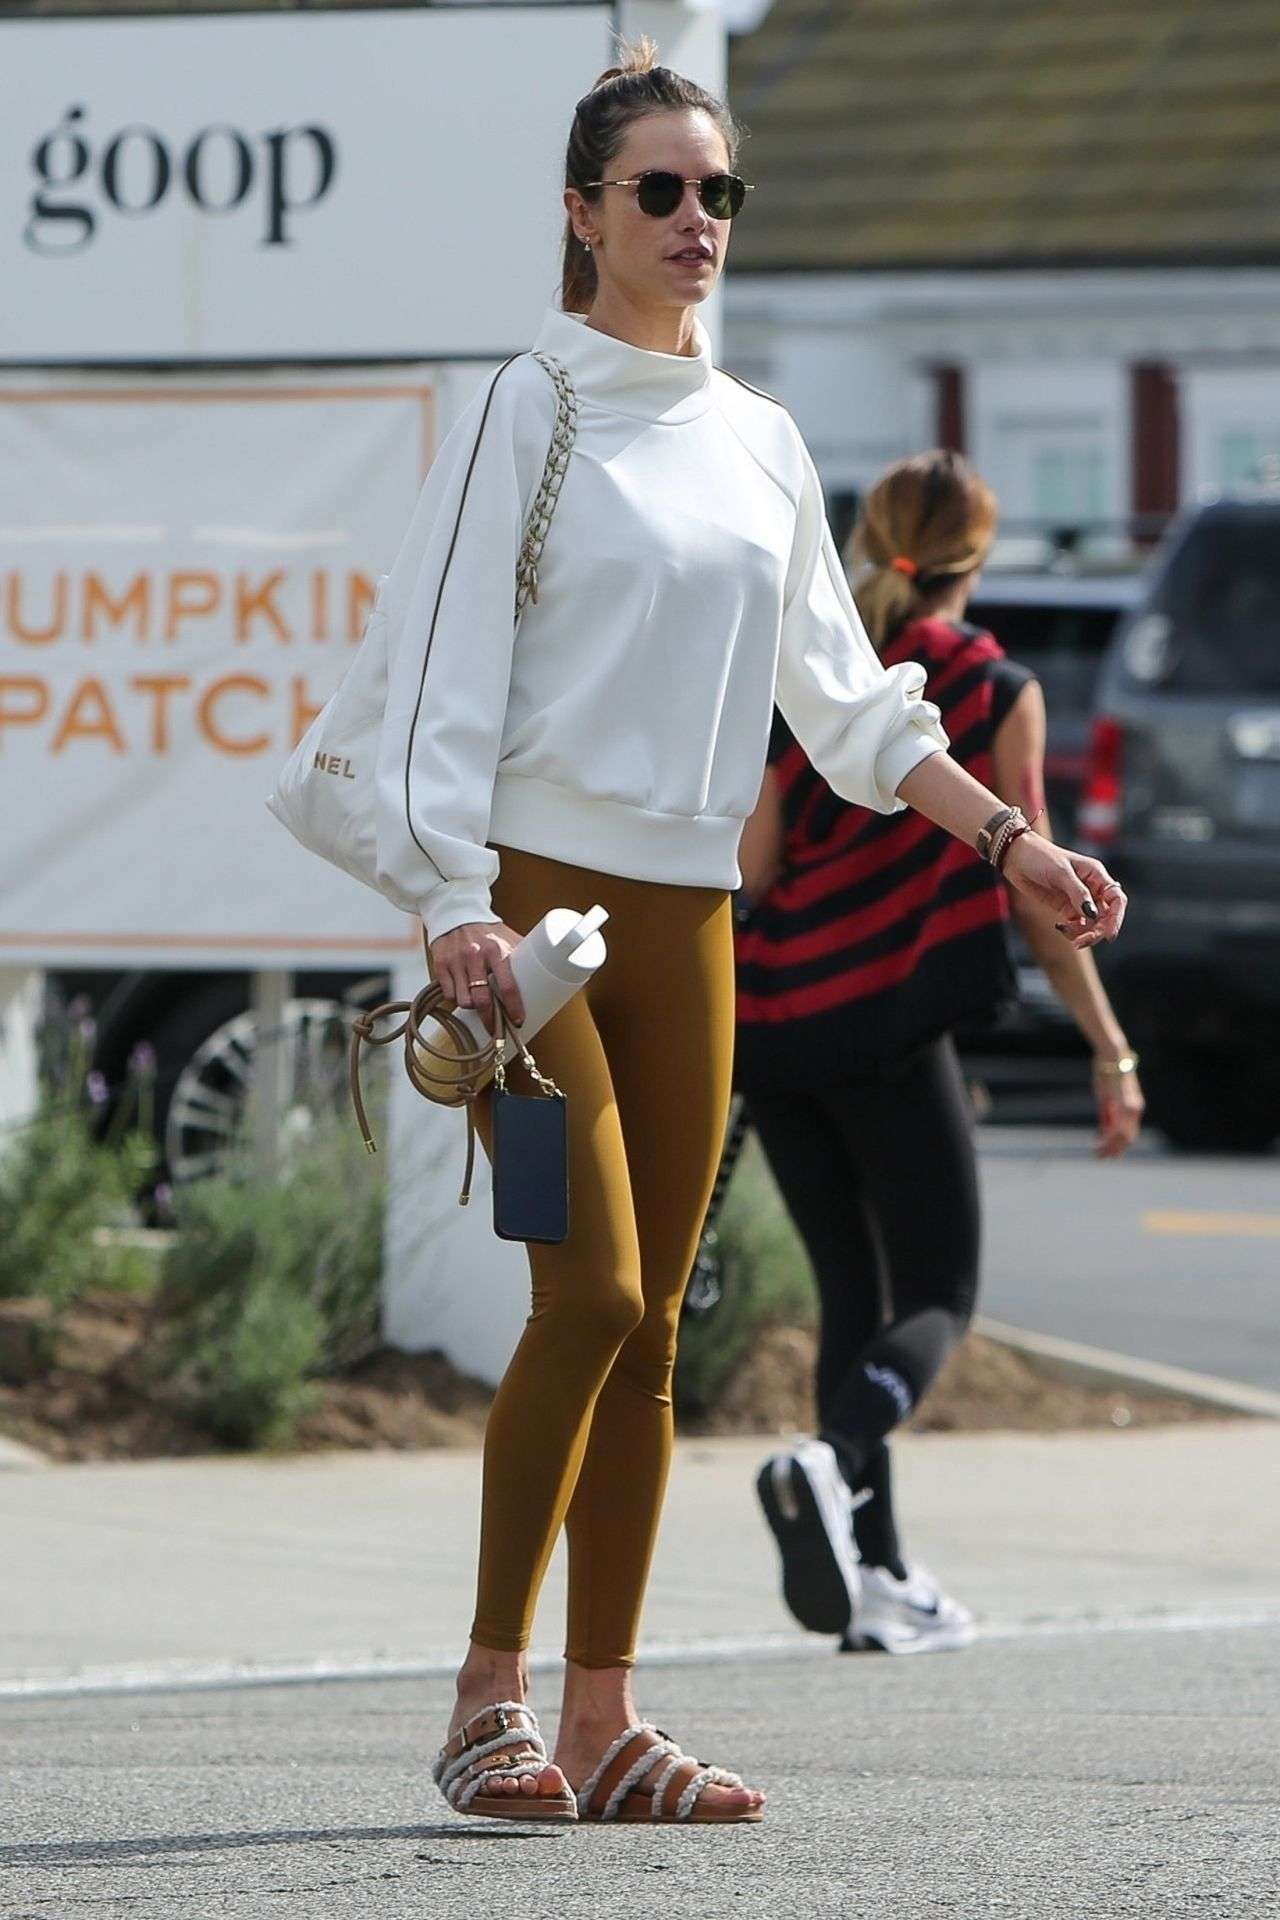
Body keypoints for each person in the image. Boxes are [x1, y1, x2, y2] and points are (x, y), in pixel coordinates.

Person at [381, 44, 1124, 1826]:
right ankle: (484, 1698)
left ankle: (603, 1722)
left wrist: (1011, 839)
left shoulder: (761, 439)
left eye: (719, 192)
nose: (696, 219)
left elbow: (853, 710)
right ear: (583, 215)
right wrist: (450, 901)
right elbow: (440, 672)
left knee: (655, 1328)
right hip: (537, 924)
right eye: (660, 190)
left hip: (691, 921)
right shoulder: (528, 410)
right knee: (590, 1288)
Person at [736, 450, 1144, 1656]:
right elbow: (1040, 898)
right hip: (890, 1014)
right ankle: (829, 1458)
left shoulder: (814, 670)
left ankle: (875, 1576)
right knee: (937, 1293)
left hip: (774, 1020)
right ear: (979, 553)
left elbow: (752, 868)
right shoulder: (991, 685)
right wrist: (1108, 1050)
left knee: (848, 1295)